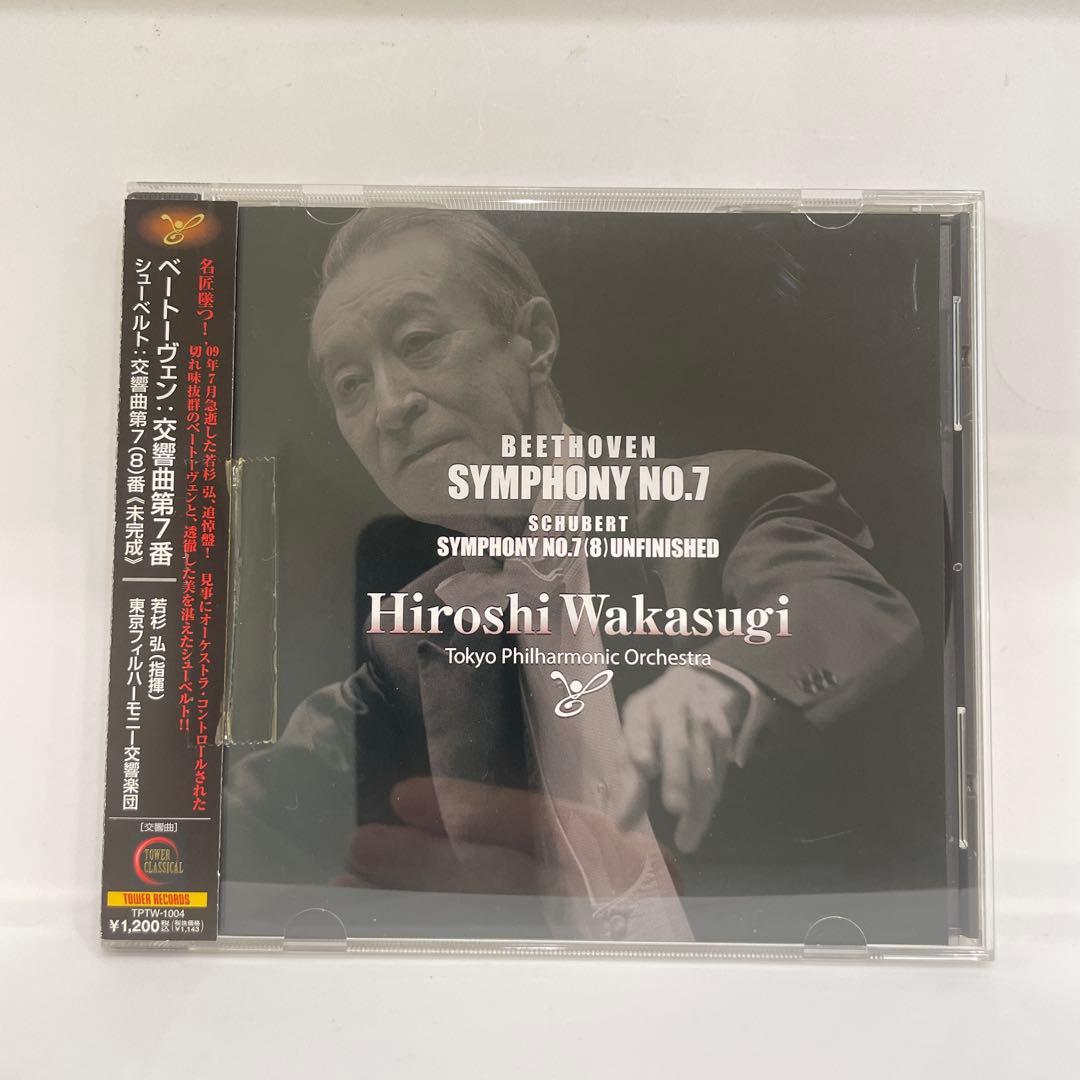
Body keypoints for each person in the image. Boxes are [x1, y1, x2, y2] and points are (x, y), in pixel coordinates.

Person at [227, 207, 922, 942]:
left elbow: (843, 601)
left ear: (534, 339)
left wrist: (726, 678)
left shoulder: (722, 501)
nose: (390, 406)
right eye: (350, 384)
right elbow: (246, 818)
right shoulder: (409, 638)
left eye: (419, 342)